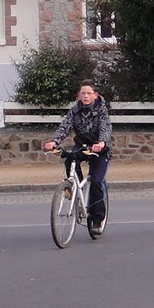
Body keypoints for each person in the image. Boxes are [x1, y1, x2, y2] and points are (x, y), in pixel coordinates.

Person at [43, 80, 113, 238]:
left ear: (95, 95)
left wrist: (101, 143)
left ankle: (96, 220)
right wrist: (54, 142)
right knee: (69, 157)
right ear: (79, 95)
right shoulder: (75, 110)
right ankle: (74, 187)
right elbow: (65, 127)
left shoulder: (101, 110)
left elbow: (105, 127)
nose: (86, 96)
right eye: (83, 93)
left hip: (99, 149)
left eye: (89, 93)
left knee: (96, 182)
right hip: (82, 146)